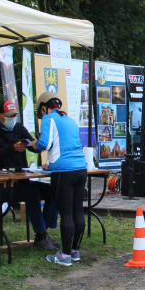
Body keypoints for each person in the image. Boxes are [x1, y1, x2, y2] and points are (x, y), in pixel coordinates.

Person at [0, 100, 58, 251]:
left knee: (53, 189)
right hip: (0, 184)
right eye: (9, 116)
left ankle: (44, 231)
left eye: (15, 115)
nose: (12, 119)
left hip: (21, 179)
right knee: (32, 193)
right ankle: (41, 234)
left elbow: (33, 146)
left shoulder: (18, 128)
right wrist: (12, 148)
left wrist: (36, 144)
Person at [28, 91, 88, 266]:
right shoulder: (69, 120)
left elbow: (44, 144)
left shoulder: (49, 119)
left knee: (66, 213)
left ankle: (64, 256)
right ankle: (75, 251)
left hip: (63, 171)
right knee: (77, 210)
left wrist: (32, 144)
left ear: (44, 107)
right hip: (80, 168)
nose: (42, 116)